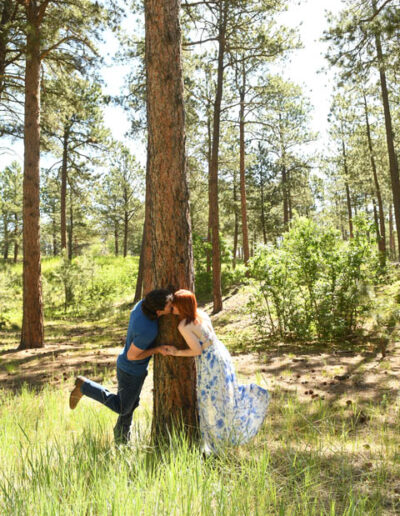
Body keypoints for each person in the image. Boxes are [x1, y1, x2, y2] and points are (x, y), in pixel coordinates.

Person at [166, 289, 269, 454]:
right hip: (221, 354)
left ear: (182, 306)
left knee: (210, 401)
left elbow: (197, 350)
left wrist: (176, 352)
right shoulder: (201, 314)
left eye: (175, 306)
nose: (172, 309)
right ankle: (222, 439)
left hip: (210, 362)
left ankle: (215, 446)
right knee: (224, 397)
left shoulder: (184, 325)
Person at [69, 289, 173, 444]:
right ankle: (85, 386)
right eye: (170, 307)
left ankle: (121, 439)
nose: (172, 309)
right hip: (132, 371)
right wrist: (157, 349)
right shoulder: (148, 330)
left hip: (128, 367)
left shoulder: (141, 305)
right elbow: (132, 356)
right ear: (158, 311)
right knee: (123, 408)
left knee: (130, 405)